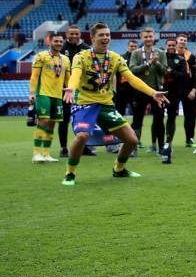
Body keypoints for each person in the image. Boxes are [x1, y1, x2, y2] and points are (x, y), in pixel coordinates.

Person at [61, 23, 169, 185]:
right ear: (92, 38)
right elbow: (75, 74)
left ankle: (119, 169)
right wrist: (70, 88)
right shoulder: (81, 57)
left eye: (107, 35)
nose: (105, 38)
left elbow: (132, 78)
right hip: (85, 104)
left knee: (132, 140)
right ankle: (70, 173)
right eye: (101, 35)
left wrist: (152, 92)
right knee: (82, 136)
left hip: (106, 105)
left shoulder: (115, 58)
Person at [29, 32, 71, 163]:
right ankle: (36, 153)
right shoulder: (41, 56)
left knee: (52, 124)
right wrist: (31, 93)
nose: (58, 43)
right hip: (43, 93)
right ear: (50, 42)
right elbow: (35, 76)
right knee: (44, 121)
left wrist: (70, 92)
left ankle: (46, 154)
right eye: (56, 41)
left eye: (60, 41)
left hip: (58, 96)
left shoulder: (65, 59)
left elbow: (68, 78)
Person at [129, 27, 167, 155]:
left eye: (150, 36)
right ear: (142, 37)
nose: (148, 39)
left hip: (157, 91)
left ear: (154, 37)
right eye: (146, 37)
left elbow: (165, 71)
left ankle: (161, 147)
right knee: (137, 120)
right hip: (140, 90)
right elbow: (132, 70)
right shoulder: (136, 53)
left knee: (159, 119)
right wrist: (149, 63)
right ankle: (133, 148)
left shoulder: (161, 53)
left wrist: (156, 63)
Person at [59, 24, 92, 158]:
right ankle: (63, 148)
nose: (74, 36)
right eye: (71, 34)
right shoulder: (61, 48)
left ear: (80, 34)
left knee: (83, 120)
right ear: (67, 34)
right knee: (64, 119)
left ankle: (83, 147)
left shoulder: (86, 48)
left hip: (83, 90)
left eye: (76, 33)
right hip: (66, 90)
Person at [160, 38, 188, 163]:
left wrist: (172, 72)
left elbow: (183, 76)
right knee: (158, 117)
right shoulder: (161, 58)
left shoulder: (181, 60)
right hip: (160, 91)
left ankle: (168, 142)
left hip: (174, 94)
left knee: (171, 118)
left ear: (176, 46)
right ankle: (158, 144)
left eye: (173, 45)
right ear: (166, 46)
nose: (171, 47)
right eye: (169, 45)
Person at [176, 34, 196, 147]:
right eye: (181, 40)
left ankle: (189, 139)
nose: (183, 42)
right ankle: (165, 141)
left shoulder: (190, 56)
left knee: (189, 116)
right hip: (173, 89)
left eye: (185, 40)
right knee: (167, 116)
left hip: (188, 89)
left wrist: (194, 89)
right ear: (177, 41)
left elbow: (194, 75)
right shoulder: (171, 54)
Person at [114, 40, 138, 116]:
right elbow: (116, 74)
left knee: (137, 113)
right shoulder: (121, 58)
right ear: (128, 47)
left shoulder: (139, 59)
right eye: (131, 46)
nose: (133, 48)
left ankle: (135, 128)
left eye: (135, 46)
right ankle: (119, 127)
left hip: (135, 90)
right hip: (122, 90)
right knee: (119, 112)